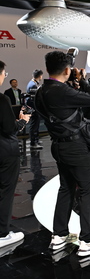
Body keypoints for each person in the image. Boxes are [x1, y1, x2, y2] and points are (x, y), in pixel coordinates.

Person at [35, 51, 90, 257]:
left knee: (66, 188)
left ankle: (59, 235)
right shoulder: (62, 91)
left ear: (47, 69)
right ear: (68, 70)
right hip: (77, 148)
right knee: (88, 190)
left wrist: (73, 84)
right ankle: (88, 240)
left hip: (59, 146)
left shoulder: (42, 91)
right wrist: (83, 81)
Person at [0, 61, 30, 251]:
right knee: (5, 192)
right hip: (5, 151)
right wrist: (22, 121)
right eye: (4, 73)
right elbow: (9, 129)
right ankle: (2, 234)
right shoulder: (2, 99)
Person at [26, 70, 43, 148]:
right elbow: (34, 99)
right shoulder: (33, 85)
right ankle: (33, 142)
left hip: (34, 108)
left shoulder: (33, 83)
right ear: (39, 76)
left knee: (35, 125)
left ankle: (35, 140)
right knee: (34, 125)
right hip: (34, 108)